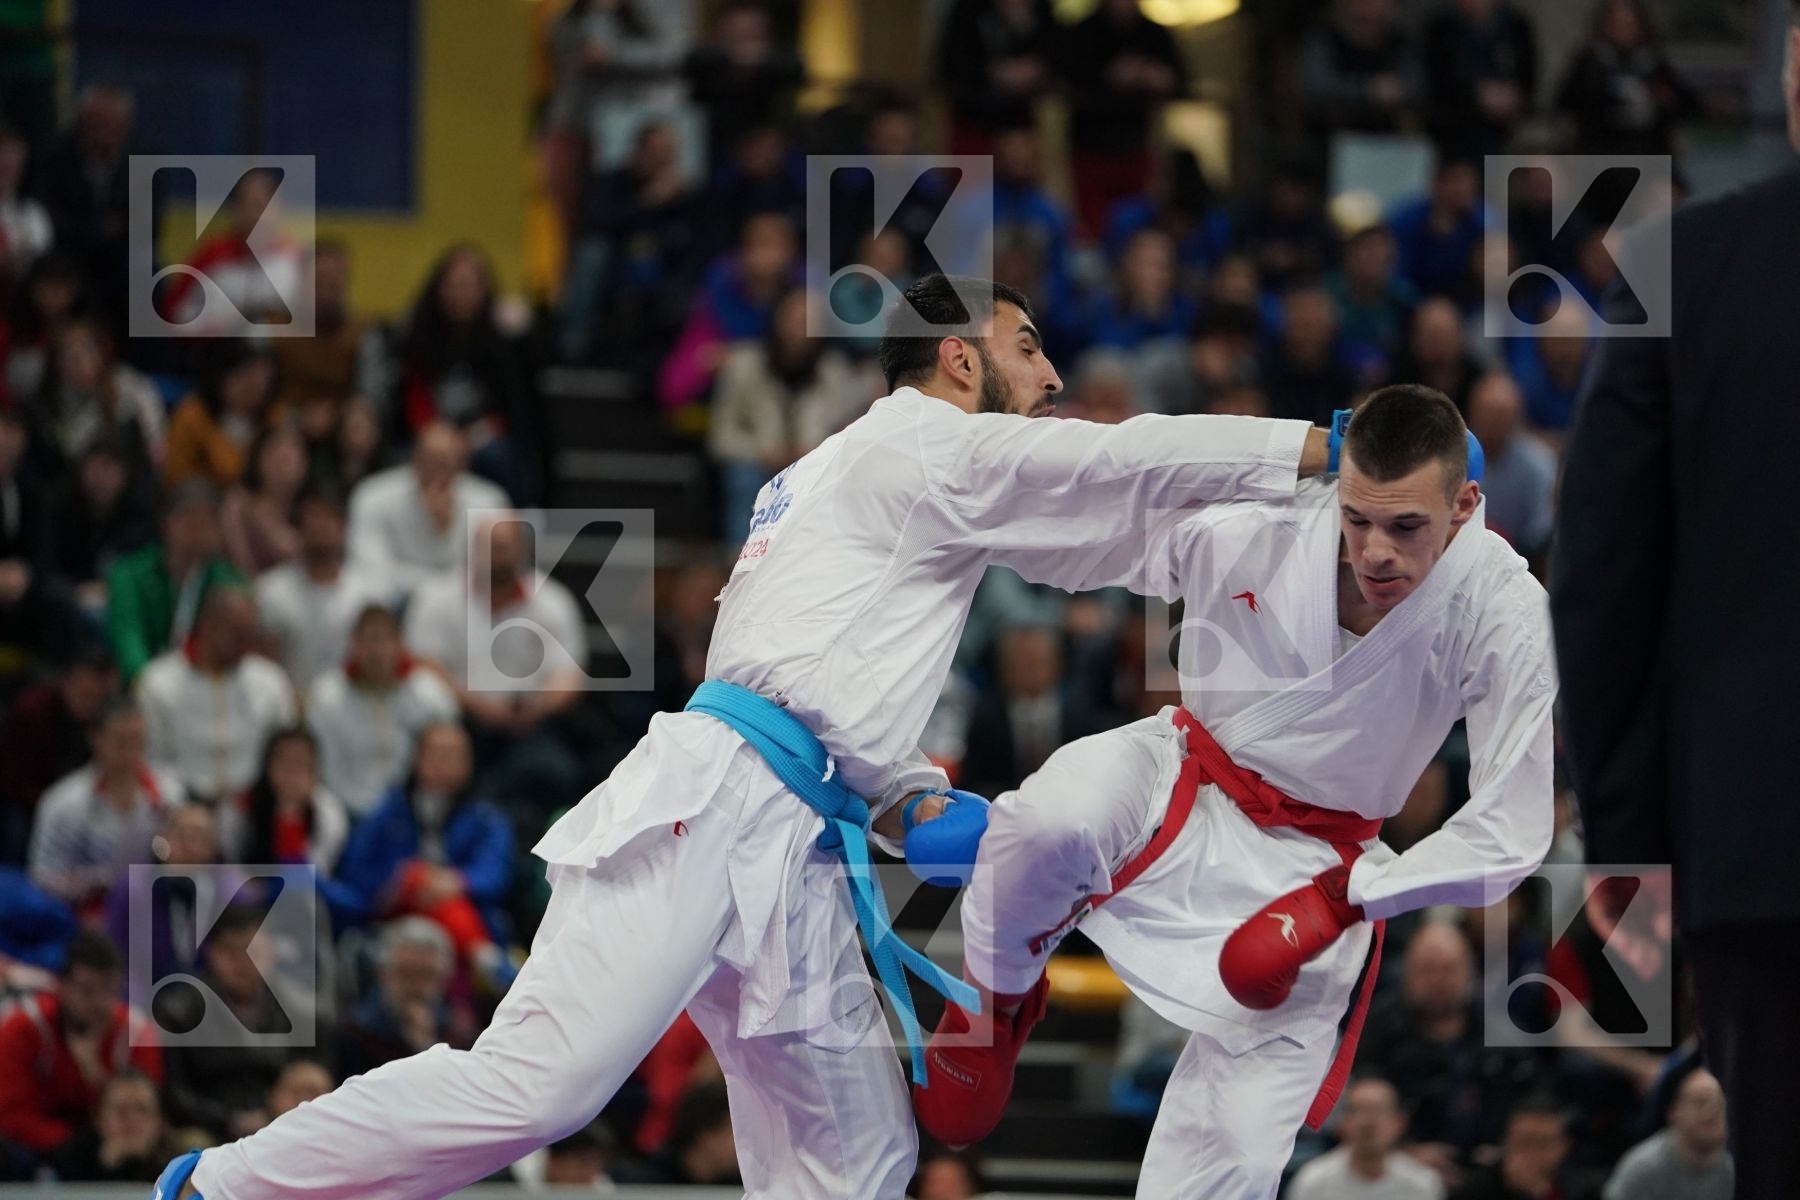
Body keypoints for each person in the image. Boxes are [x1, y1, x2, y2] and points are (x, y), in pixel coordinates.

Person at [153, 272, 1331, 1199]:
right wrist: (1321, 457)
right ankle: (223, 1185)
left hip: (793, 835)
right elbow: (1121, 467)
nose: (1056, 373)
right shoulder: (923, 443)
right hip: (711, 801)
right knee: (540, 1087)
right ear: (960, 355)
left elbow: (838, 665)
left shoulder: (862, 475)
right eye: (1029, 348)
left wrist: (911, 794)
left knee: (856, 1159)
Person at [918, 386, 1554, 1200]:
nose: (1375, 552)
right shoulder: (1260, 520)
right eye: (1358, 518)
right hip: (1181, 776)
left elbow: (1512, 826)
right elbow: (1094, 518)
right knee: (1044, 826)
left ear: (1465, 504)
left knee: (1233, 1161)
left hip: (1319, 865)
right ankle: (1001, 999)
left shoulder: (1504, 608)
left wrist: (1347, 897)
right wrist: (955, 522)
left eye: (1406, 527)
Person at [1551, 13, 1800, 1199]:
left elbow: (1601, 580)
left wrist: (1630, 843)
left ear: (1798, 80)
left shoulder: (1672, 266)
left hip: (1760, 842)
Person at [0, 932, 161, 1174]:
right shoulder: (24, 1029)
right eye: (87, 991)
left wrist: (96, 1077)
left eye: (109, 990)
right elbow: (12, 1116)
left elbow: (149, 1108)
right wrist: (82, 1146)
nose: (100, 1003)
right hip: (41, 1150)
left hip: (119, 1143)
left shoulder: (135, 1033)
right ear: (61, 986)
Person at [137, 587, 296, 804]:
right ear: (209, 627)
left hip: (255, 804)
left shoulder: (270, 681)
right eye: (239, 634)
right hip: (182, 803)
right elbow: (152, 760)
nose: (247, 644)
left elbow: (285, 752)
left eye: (252, 634)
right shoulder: (158, 683)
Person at [305, 604, 459, 820]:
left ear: (400, 644)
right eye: (368, 641)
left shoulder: (430, 695)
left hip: (415, 813)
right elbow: (324, 771)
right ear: (353, 645)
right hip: (347, 812)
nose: (376, 651)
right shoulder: (327, 698)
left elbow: (448, 763)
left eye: (384, 641)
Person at [28, 698, 182, 914]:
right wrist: (98, 882)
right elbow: (43, 877)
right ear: (95, 738)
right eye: (121, 740)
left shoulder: (170, 794)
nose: (131, 751)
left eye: (138, 740)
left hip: (154, 909)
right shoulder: (63, 802)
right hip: (85, 913)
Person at [345, 421, 508, 599]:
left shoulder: (488, 500)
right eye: (430, 461)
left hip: (467, 602)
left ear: (462, 464)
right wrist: (436, 590)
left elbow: (493, 568)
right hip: (399, 601)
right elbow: (371, 569)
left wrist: (444, 526)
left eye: (445, 463)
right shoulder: (372, 496)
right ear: (414, 459)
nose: (437, 473)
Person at [105, 480, 244, 684]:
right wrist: (149, 686)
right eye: (188, 517)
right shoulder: (129, 575)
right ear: (166, 522)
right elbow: (129, 640)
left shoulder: (230, 582)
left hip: (207, 690)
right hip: (144, 689)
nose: (198, 529)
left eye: (208, 519)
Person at [254, 488, 395, 689]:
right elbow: (263, 668)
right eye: (314, 518)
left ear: (344, 527)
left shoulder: (370, 592)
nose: (321, 526)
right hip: (293, 706)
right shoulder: (272, 591)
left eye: (329, 518)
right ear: (299, 528)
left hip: (354, 705)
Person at [1287, 1076, 1445, 1200]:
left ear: (1399, 1122)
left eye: (1377, 1110)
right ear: (1342, 1122)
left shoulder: (1422, 1184)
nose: (1367, 1122)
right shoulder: (1312, 1182)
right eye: (1357, 1110)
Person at [1602, 1068, 1732, 1200]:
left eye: (1720, 1105)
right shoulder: (1643, 1169)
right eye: (1700, 1102)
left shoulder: (1734, 1170)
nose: (1710, 1113)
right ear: (1673, 1112)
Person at [48, 1070, 174, 1184]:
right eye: (121, 1110)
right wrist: (106, 1165)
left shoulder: (180, 1165)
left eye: (142, 1109)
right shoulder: (70, 1161)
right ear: (98, 1119)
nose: (131, 1120)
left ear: (159, 1121)